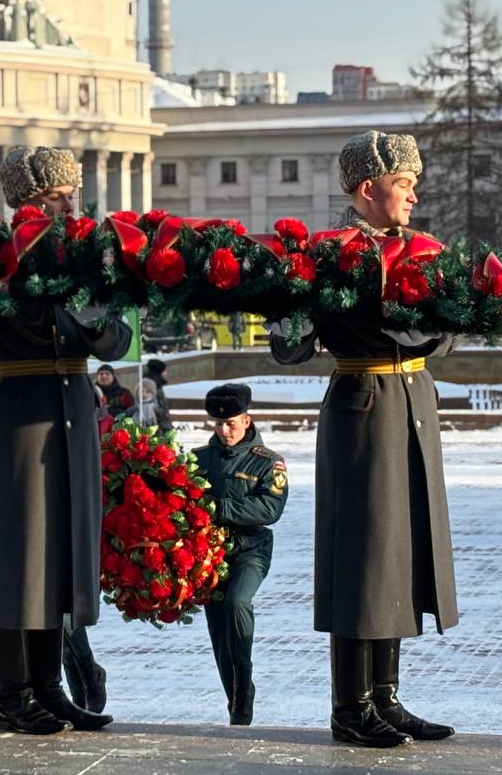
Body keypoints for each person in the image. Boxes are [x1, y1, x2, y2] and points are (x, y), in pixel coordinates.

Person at [0, 145, 129, 735]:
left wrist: (94, 318)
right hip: (20, 413)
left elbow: (114, 341)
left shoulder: (86, 252)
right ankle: (11, 691)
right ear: (29, 200)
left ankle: (48, 685)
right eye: (60, 195)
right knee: (18, 557)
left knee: (59, 552)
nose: (71, 203)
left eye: (72, 193)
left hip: (71, 409)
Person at [271, 130, 456, 748]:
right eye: (404, 182)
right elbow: (289, 347)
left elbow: (446, 337)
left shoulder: (423, 250)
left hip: (412, 404)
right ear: (368, 188)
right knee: (362, 559)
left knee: (399, 554)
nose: (413, 192)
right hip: (363, 403)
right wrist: (289, 302)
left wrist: (433, 324)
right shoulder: (330, 255)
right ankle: (350, 706)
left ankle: (386, 697)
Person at [193, 383, 288, 725]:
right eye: (218, 424)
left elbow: (268, 508)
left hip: (251, 551)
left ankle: (243, 681)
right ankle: (236, 696)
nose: (224, 430)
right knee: (219, 629)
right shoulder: (199, 460)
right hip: (209, 555)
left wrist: (218, 507)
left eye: (231, 423)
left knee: (237, 603)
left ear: (247, 420)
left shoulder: (269, 463)